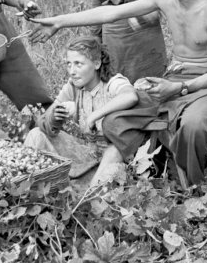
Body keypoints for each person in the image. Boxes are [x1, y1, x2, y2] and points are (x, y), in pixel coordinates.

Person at [30, 0, 207, 186]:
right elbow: (111, 13)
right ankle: (141, 169)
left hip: (204, 84)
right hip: (173, 77)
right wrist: (59, 21)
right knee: (114, 120)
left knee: (193, 128)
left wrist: (180, 88)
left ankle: (194, 188)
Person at [24, 36, 139, 187]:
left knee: (114, 151)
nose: (72, 71)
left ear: (97, 63)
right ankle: (26, 188)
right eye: (68, 64)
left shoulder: (112, 82)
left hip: (116, 161)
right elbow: (43, 120)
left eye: (78, 64)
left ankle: (90, 194)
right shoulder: (74, 86)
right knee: (36, 134)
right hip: (89, 155)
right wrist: (53, 119)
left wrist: (95, 115)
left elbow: (130, 96)